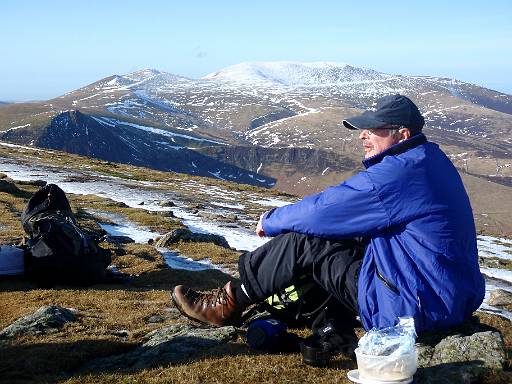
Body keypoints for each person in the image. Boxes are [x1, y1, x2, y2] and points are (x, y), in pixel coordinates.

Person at [172, 94, 485, 334]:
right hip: (444, 298)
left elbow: (326, 210)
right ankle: (320, 318)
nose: (363, 135)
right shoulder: (428, 159)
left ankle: (227, 303)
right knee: (347, 238)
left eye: (374, 129)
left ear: (403, 134)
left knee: (307, 242)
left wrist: (271, 220)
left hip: (412, 308)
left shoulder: (400, 173)